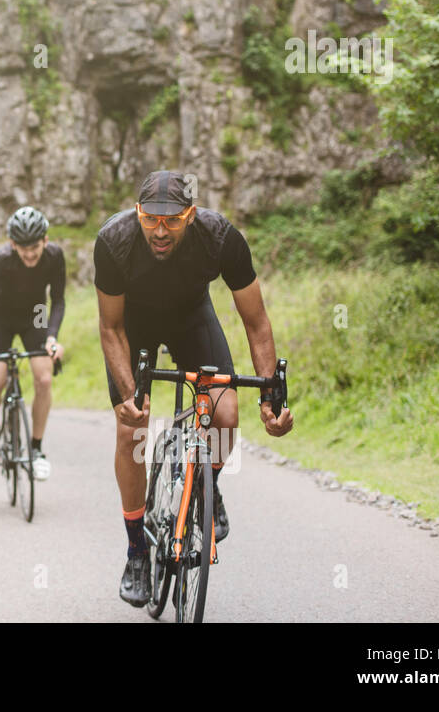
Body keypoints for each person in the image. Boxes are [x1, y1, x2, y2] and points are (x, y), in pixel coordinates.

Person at [95, 169, 294, 607]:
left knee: (224, 415)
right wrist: (130, 396)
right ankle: (136, 551)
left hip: (191, 318)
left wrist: (270, 399)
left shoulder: (221, 237)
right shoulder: (114, 240)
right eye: (150, 220)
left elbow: (256, 321)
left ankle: (208, 484)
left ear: (191, 214)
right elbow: (110, 327)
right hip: (134, 327)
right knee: (132, 431)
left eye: (172, 220)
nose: (160, 231)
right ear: (137, 213)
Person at [0, 206, 65, 481]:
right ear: (13, 244)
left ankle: (36, 450)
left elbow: (57, 299)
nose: (30, 253)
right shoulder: (1, 260)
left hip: (35, 314)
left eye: (35, 246)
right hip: (1, 316)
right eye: (23, 248)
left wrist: (52, 337)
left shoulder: (55, 257)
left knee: (44, 379)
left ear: (45, 240)